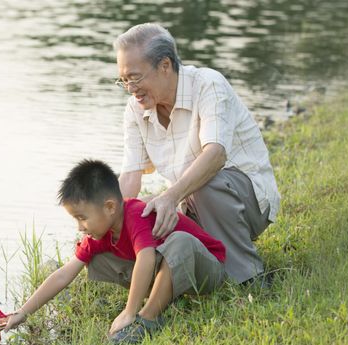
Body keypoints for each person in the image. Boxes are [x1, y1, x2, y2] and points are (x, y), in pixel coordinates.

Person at [111, 23, 280, 286]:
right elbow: (130, 176)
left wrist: (170, 196)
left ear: (164, 65)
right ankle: (179, 272)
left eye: (135, 78)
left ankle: (250, 277)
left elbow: (216, 156)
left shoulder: (208, 84)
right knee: (140, 210)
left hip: (246, 201)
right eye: (123, 80)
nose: (131, 88)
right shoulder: (135, 109)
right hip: (189, 203)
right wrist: (108, 219)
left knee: (203, 184)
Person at [0, 159, 227, 344]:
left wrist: (129, 311)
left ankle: (147, 318)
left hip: (206, 270)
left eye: (82, 218)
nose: (79, 227)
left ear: (109, 207)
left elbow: (146, 257)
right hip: (172, 273)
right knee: (94, 258)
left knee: (178, 241)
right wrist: (23, 311)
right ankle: (160, 296)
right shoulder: (100, 233)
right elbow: (63, 274)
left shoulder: (135, 214)